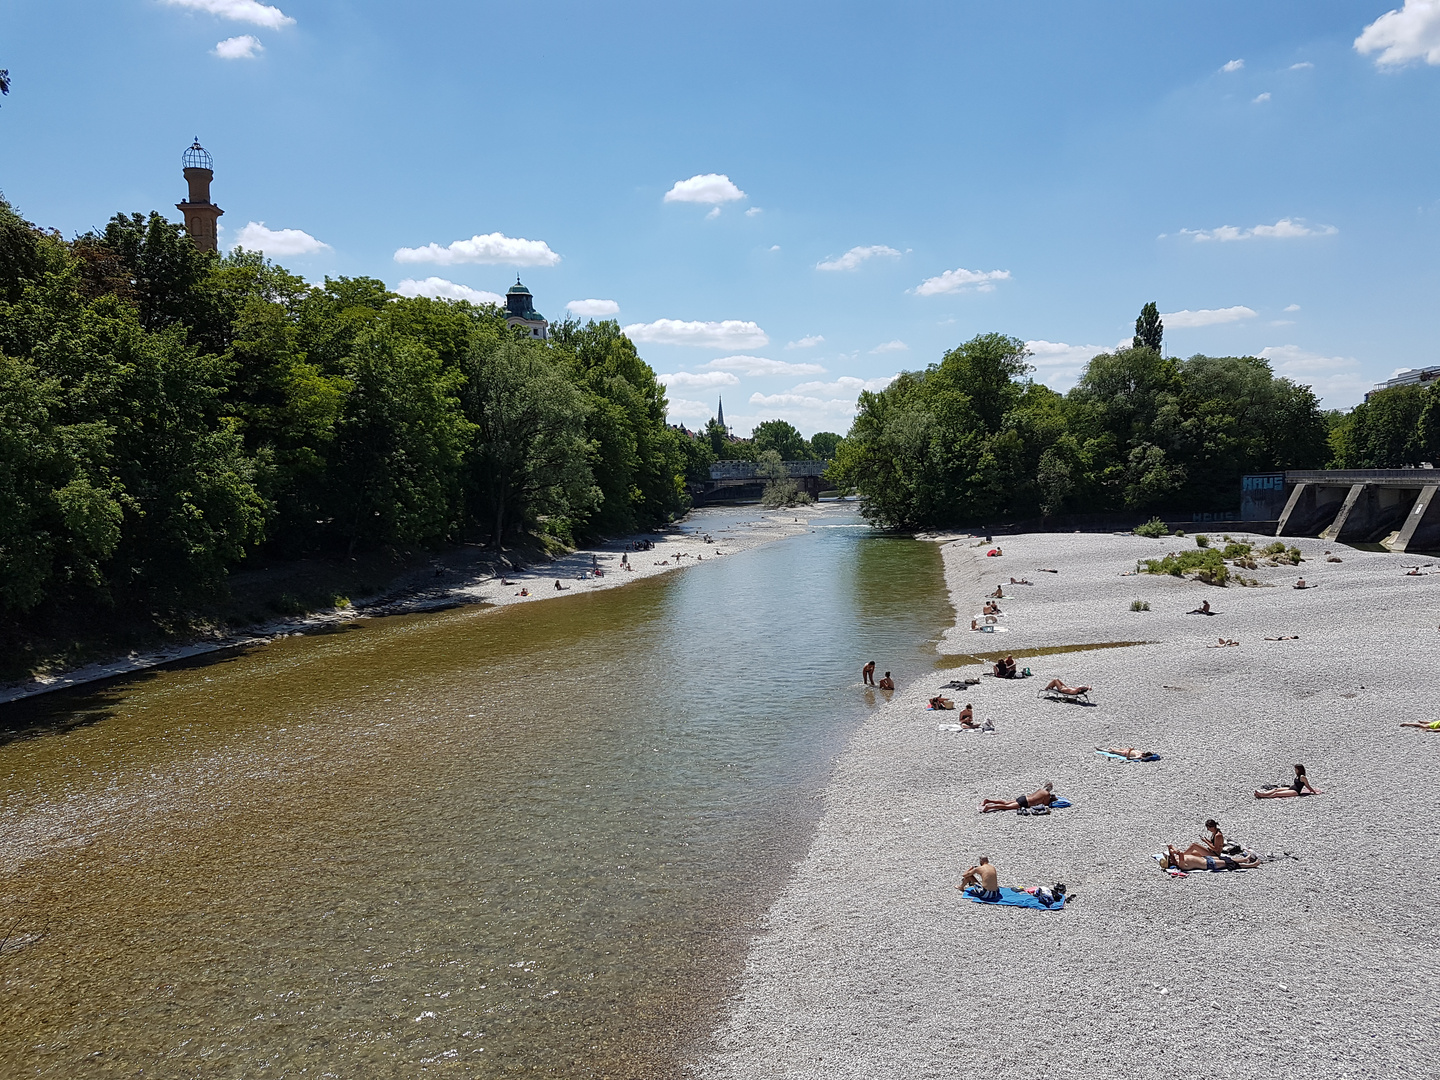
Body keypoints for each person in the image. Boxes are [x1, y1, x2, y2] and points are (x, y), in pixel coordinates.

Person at [980, 781, 1054, 813]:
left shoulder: (1040, 790)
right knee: (1007, 806)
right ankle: (989, 807)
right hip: (1026, 803)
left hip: (1023, 798)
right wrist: (1052, 800)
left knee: (1006, 802)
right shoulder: (1047, 794)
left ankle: (988, 800)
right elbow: (1046, 804)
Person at [1255, 763, 1322, 798]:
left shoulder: (1302, 777)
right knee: (1276, 790)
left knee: (1277, 794)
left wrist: (1313, 791)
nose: (1295, 771)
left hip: (1296, 791)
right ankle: (1263, 793)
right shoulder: (1297, 776)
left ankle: (1263, 796)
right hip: (1291, 788)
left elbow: (1307, 786)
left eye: (1296, 770)